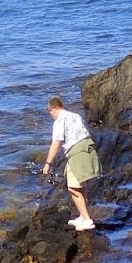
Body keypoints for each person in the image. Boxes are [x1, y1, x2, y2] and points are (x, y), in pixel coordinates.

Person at [43, 95, 100, 231]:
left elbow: (56, 143)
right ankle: (82, 216)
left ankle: (87, 220)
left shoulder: (59, 121)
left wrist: (47, 163)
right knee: (80, 186)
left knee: (73, 188)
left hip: (77, 154)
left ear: (52, 110)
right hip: (89, 150)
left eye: (50, 113)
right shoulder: (76, 116)